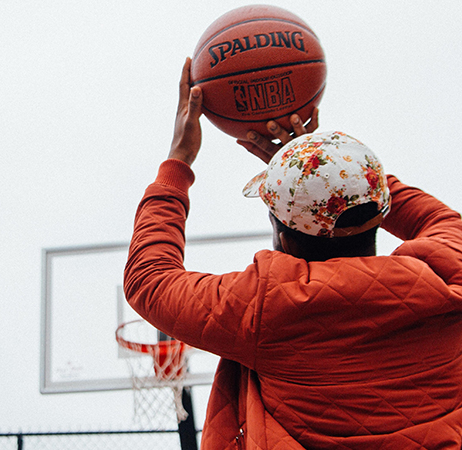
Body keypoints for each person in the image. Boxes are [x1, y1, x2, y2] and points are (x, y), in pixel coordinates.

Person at [123, 57, 462, 449]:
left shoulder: (268, 307)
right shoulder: (448, 272)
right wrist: (323, 164)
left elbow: (149, 279)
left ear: (285, 238)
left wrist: (178, 161)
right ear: (380, 207)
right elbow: (434, 218)